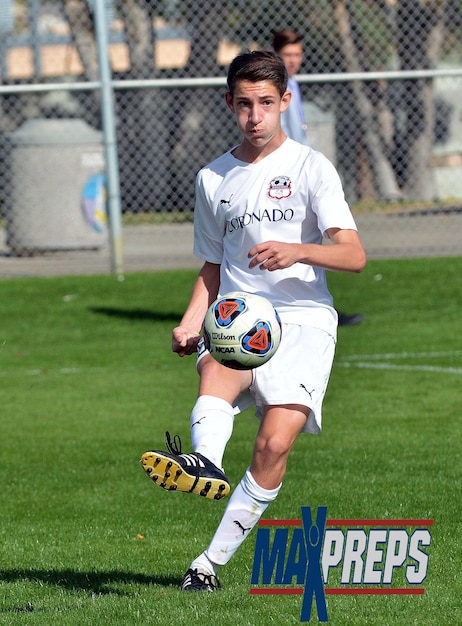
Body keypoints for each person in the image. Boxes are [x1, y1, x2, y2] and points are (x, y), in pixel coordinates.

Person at [141, 50, 366, 592]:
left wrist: (299, 251)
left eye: (266, 103)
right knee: (215, 367)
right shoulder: (213, 177)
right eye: (244, 104)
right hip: (239, 313)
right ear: (230, 105)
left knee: (273, 446)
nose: (255, 116)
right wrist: (190, 320)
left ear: (284, 102)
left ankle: (207, 564)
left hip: (305, 319)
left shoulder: (312, 168)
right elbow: (213, 265)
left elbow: (354, 255)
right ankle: (204, 464)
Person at [272, 28, 363, 327]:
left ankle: (318, 308)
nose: (294, 60)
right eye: (288, 55)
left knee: (310, 244)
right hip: (283, 181)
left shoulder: (293, 85)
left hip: (302, 175)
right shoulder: (273, 91)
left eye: (298, 54)